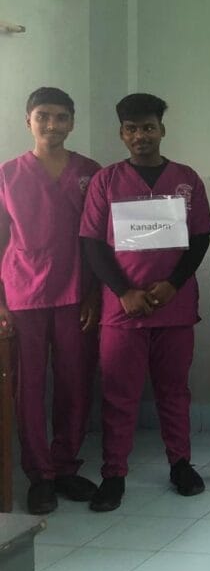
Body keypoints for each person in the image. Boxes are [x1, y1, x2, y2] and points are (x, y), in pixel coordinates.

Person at [80, 93, 210, 512]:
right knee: (118, 395)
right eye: (132, 129)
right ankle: (114, 474)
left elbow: (200, 238)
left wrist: (173, 284)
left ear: (162, 130)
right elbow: (92, 244)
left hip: (174, 307)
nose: (141, 135)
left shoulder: (186, 179)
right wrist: (124, 291)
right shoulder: (106, 181)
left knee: (174, 392)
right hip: (123, 310)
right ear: (122, 134)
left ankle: (180, 464)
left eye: (149, 127)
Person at [0, 87, 101, 514]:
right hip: (22, 294)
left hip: (76, 292)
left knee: (75, 382)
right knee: (28, 387)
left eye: (61, 117)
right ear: (28, 121)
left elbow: (100, 240)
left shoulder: (90, 172)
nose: (52, 124)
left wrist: (94, 293)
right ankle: (39, 475)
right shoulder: (7, 174)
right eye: (43, 115)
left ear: (72, 123)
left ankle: (64, 466)